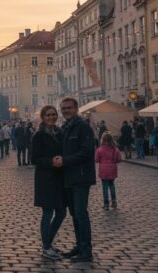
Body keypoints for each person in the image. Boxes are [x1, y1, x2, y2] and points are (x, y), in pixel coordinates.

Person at [56, 97, 95, 263]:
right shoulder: (65, 127)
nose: (66, 111)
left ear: (76, 108)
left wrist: (65, 161)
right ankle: (79, 246)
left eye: (69, 108)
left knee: (81, 214)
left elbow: (86, 152)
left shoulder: (83, 127)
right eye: (63, 108)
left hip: (80, 176)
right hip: (69, 177)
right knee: (74, 214)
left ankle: (86, 250)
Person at [32, 105, 66, 260]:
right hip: (45, 178)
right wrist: (51, 161)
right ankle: (46, 247)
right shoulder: (39, 135)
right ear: (43, 117)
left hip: (60, 177)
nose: (51, 117)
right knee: (47, 213)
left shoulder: (60, 132)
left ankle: (48, 242)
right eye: (48, 115)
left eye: (53, 114)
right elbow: (34, 159)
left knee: (61, 212)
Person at [95, 131, 121, 210]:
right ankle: (114, 201)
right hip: (112, 169)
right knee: (112, 185)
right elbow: (119, 159)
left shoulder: (100, 149)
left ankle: (106, 204)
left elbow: (96, 160)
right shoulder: (115, 149)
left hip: (103, 169)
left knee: (105, 187)